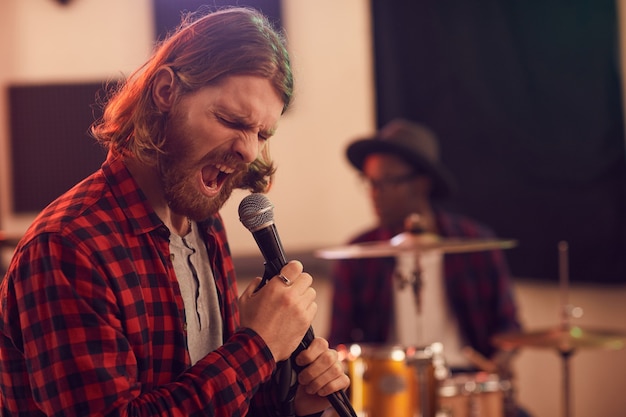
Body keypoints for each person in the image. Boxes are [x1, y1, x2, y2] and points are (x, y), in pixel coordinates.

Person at [0, 7, 349, 417]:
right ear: (166, 92)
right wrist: (258, 345)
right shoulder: (68, 247)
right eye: (231, 120)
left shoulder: (203, 223)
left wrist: (294, 402)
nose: (249, 151)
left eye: (261, 134)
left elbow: (224, 403)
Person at [328, 119, 529, 417]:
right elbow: (338, 339)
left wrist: (501, 360)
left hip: (462, 378)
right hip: (387, 385)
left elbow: (509, 326)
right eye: (370, 182)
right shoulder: (359, 252)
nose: (375, 193)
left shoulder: (475, 243)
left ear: (421, 182)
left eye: (387, 182)